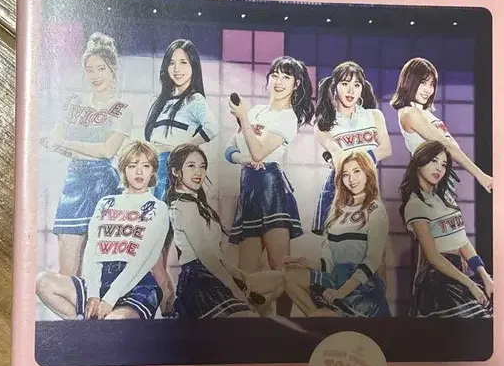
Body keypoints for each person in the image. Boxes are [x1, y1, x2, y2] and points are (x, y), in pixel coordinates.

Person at [35, 141, 169, 320]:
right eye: (132, 166)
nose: (139, 172)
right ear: (124, 169)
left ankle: (95, 327)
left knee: (114, 321)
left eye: (146, 166)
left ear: (153, 171)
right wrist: (93, 294)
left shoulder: (158, 207)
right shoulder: (106, 203)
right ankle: (84, 326)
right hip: (100, 279)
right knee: (43, 282)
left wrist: (110, 299)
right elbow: (92, 250)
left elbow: (143, 260)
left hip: (136, 283)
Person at [225, 55, 315, 318]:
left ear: (296, 84)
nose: (279, 81)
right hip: (249, 188)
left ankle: (286, 327)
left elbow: (259, 152)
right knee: (246, 272)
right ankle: (254, 324)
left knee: (281, 266)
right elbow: (229, 150)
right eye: (275, 75)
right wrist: (244, 159)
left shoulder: (288, 117)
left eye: (286, 77)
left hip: (271, 189)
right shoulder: (256, 112)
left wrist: (243, 119)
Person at [44, 33, 133, 276]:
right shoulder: (75, 103)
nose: (95, 75)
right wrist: (75, 147)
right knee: (67, 269)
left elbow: (107, 151)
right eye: (90, 70)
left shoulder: (122, 109)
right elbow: (53, 140)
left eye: (101, 69)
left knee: (101, 267)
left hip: (103, 184)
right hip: (74, 183)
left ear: (113, 69)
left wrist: (69, 144)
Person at [165, 144, 284, 318]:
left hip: (215, 271)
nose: (198, 172)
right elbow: (207, 257)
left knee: (280, 280)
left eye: (202, 166)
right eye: (191, 166)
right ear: (176, 171)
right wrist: (235, 290)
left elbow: (214, 254)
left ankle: (254, 319)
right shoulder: (183, 205)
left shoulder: (195, 202)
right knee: (248, 317)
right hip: (200, 280)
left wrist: (240, 275)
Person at [284, 151, 391, 318]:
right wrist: (304, 262)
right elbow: (328, 264)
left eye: (357, 171)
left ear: (367, 173)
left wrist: (341, 292)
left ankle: (327, 316)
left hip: (361, 288)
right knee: (288, 278)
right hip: (334, 280)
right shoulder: (336, 212)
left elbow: (372, 260)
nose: (351, 179)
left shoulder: (376, 209)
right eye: (346, 174)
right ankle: (320, 315)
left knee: (319, 317)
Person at [400, 140, 493, 319]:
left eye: (443, 164)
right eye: (434, 161)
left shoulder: (445, 198)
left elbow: (462, 241)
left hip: (459, 274)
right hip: (437, 280)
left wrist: (484, 276)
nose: (439, 168)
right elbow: (433, 257)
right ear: (419, 162)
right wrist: (470, 285)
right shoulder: (415, 204)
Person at [391, 57, 492, 194]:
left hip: (440, 177)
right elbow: (446, 145)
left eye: (432, 84)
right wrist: (480, 175)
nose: (428, 90)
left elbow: (451, 145)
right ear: (409, 81)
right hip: (427, 181)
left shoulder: (423, 112)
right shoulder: (410, 113)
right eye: (423, 83)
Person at [312, 61, 391, 235]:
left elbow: (386, 149)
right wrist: (358, 162)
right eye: (345, 84)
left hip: (369, 187)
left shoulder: (374, 115)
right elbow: (337, 155)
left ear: (362, 88)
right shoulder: (323, 123)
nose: (351, 90)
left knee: (375, 243)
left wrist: (355, 160)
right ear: (335, 86)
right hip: (339, 189)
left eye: (356, 85)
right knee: (334, 245)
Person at [143, 39, 219, 201]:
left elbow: (212, 127)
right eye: (172, 63)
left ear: (193, 66)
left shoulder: (194, 99)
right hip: (153, 168)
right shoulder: (160, 100)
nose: (177, 69)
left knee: (171, 212)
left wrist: (182, 150)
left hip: (173, 168)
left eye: (183, 62)